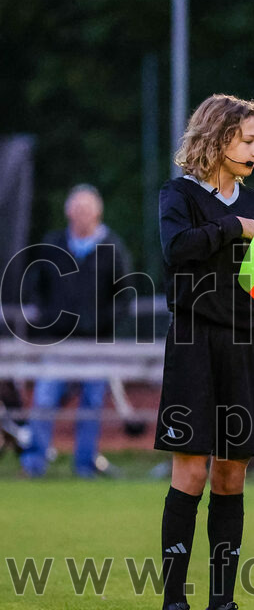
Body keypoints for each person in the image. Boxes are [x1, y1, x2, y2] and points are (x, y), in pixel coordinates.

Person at [154, 94, 254, 610]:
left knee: (232, 474)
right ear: (217, 138)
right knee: (193, 470)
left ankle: (222, 608)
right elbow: (176, 248)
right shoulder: (178, 195)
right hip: (194, 343)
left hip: (246, 346)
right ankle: (173, 607)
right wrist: (233, 230)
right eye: (246, 139)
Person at [20, 184, 131, 478]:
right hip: (59, 342)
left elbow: (125, 295)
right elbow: (35, 286)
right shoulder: (53, 244)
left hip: (96, 343)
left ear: (98, 212)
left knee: (91, 405)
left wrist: (102, 324)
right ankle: (34, 464)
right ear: (68, 212)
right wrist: (46, 318)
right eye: (77, 209)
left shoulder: (112, 247)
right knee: (44, 400)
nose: (82, 215)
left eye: (87, 209)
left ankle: (84, 465)